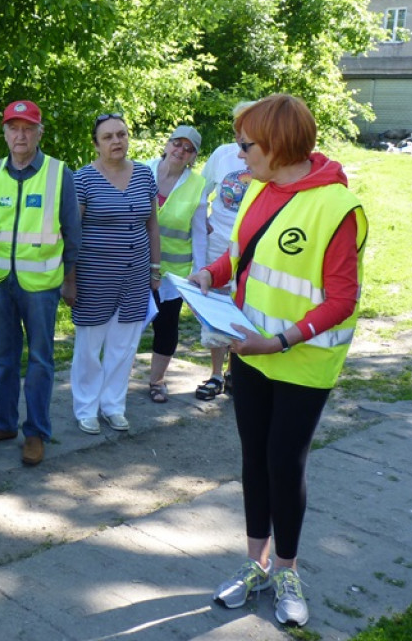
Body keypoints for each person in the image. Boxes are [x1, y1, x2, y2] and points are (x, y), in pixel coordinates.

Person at [189, 94, 367, 629]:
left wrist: (281, 341)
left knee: (284, 465)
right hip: (251, 354)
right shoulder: (258, 190)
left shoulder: (338, 207)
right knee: (253, 460)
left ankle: (286, 570)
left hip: (300, 361)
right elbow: (240, 254)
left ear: (278, 144)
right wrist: (210, 276)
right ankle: (254, 565)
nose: (239, 155)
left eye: (246, 145)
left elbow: (342, 299)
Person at [0, 100, 81, 466]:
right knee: (3, 356)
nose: (21, 135)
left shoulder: (58, 173)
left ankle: (35, 433)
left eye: (28, 128)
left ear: (39, 133)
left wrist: (70, 280)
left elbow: (72, 232)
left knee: (40, 360)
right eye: (14, 128)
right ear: (4, 133)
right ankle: (2, 422)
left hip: (41, 285)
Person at [63, 113, 160, 434]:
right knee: (90, 346)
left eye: (121, 134)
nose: (116, 141)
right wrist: (70, 279)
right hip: (94, 277)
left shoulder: (145, 174)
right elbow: (72, 233)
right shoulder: (83, 179)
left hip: (135, 276)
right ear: (96, 144)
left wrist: (155, 269)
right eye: (108, 137)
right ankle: (86, 408)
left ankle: (114, 405)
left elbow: (152, 225)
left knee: (125, 345)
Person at [194, 104, 254, 401]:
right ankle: (217, 374)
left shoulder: (267, 156)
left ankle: (237, 373)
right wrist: (202, 219)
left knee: (244, 307)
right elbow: (202, 189)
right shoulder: (223, 153)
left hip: (252, 246)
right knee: (216, 310)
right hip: (219, 241)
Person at [145, 126, 208, 403]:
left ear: (193, 157)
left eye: (188, 149)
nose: (180, 151)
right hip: (135, 266)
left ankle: (157, 381)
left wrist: (201, 273)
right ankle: (114, 379)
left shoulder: (197, 185)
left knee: (167, 326)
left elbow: (199, 233)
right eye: (177, 143)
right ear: (167, 144)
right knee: (125, 325)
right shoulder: (141, 170)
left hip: (172, 274)